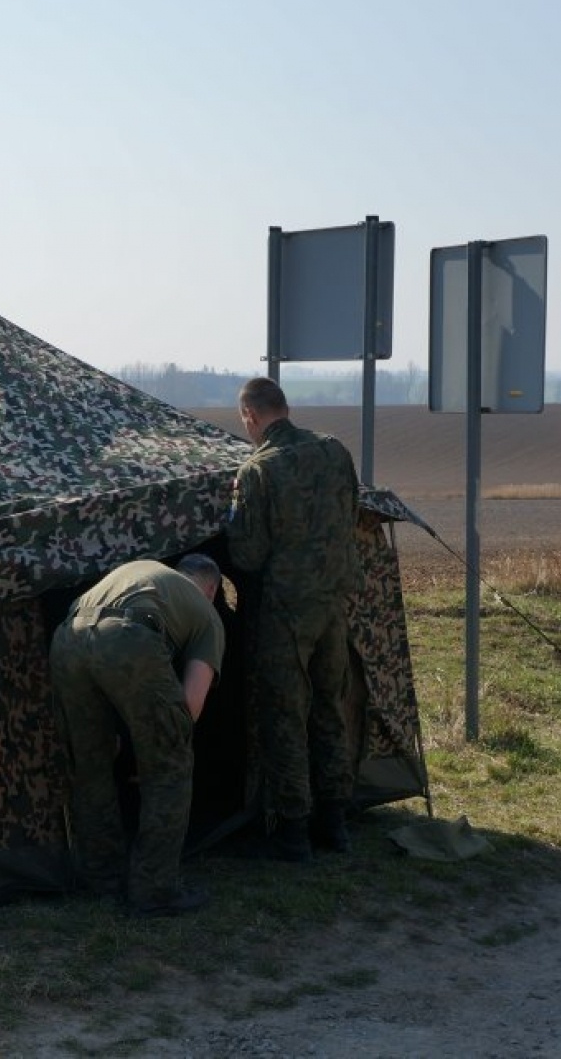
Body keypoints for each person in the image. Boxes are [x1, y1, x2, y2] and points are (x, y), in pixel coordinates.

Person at [225, 376, 362, 861]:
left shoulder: (259, 470)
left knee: (286, 714)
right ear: (285, 407)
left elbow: (247, 554)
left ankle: (294, 831)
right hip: (333, 604)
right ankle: (336, 822)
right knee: (330, 708)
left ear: (250, 416)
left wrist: (234, 512)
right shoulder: (335, 451)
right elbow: (352, 514)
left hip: (286, 611)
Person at [50, 553, 225, 917]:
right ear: (211, 591)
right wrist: (152, 745)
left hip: (67, 635)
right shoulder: (207, 615)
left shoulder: (148, 575)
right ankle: (155, 889)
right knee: (170, 762)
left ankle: (101, 878)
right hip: (127, 636)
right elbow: (189, 708)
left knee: (90, 764)